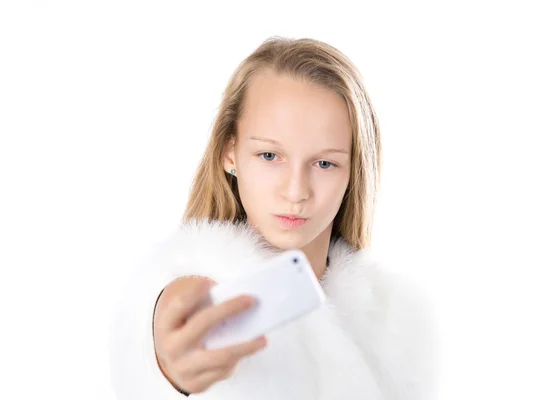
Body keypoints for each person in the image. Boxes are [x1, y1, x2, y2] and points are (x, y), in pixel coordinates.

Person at [109, 36, 437, 399]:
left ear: (354, 172)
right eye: (269, 156)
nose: (296, 191)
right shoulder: (196, 280)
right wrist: (170, 364)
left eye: (324, 163)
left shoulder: (397, 322)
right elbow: (172, 318)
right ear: (229, 152)